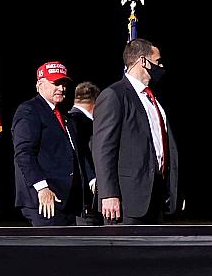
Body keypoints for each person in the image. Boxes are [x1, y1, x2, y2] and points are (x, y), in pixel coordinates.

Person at [91, 38, 179, 224]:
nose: (161, 66)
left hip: (156, 196)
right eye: (158, 61)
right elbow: (103, 148)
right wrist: (108, 194)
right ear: (143, 61)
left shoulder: (153, 99)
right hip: (126, 200)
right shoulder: (115, 95)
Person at [11, 60, 82, 226]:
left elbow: (75, 152)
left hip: (67, 200)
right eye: (55, 83)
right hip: (44, 201)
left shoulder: (64, 114)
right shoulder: (29, 110)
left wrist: (92, 181)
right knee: (52, 250)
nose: (62, 88)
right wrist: (42, 188)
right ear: (39, 85)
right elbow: (24, 153)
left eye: (64, 83)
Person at [67, 81, 100, 224]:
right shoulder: (83, 124)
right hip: (87, 199)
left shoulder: (66, 120)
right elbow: (82, 154)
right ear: (96, 102)